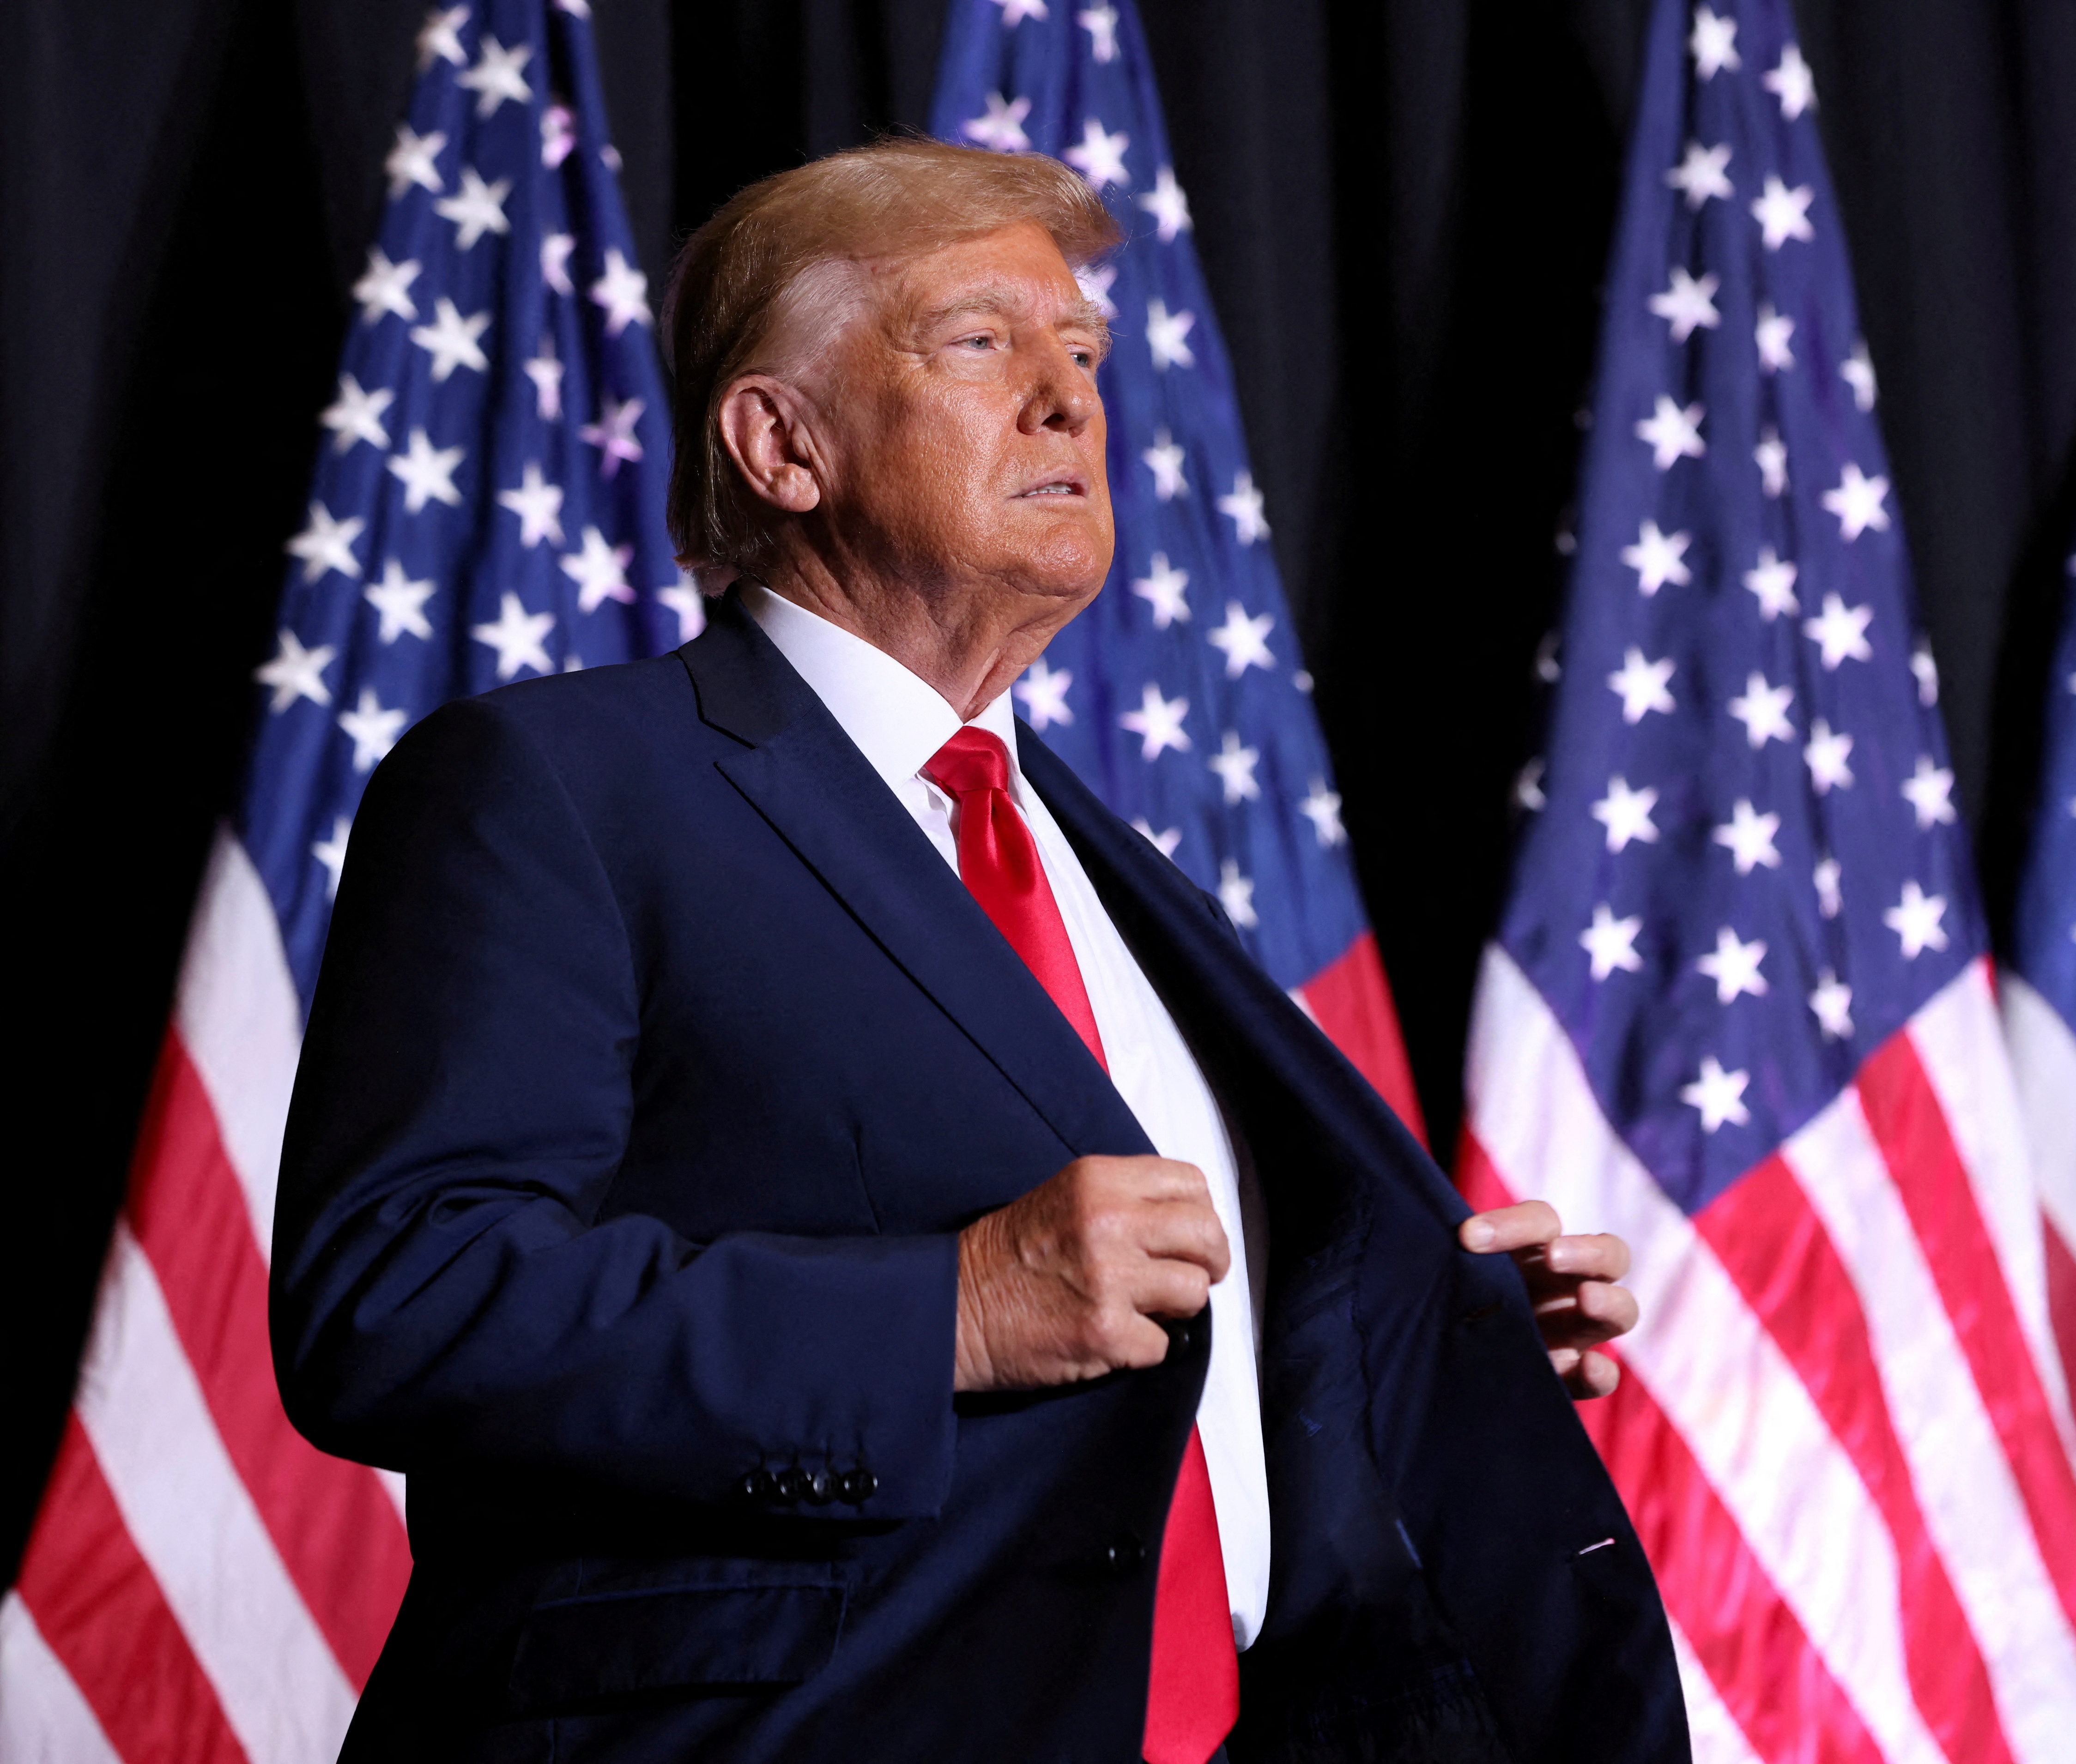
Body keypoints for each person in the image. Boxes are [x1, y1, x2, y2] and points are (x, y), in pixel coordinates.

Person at [273, 137, 1687, 1764]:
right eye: (978, 343)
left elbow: (1149, 1351)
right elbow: (398, 1298)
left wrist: (1399, 1330)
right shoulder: (562, 785)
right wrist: (946, 1309)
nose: (1068, 399)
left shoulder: (1098, 861)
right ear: (782, 443)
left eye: (1080, 353)